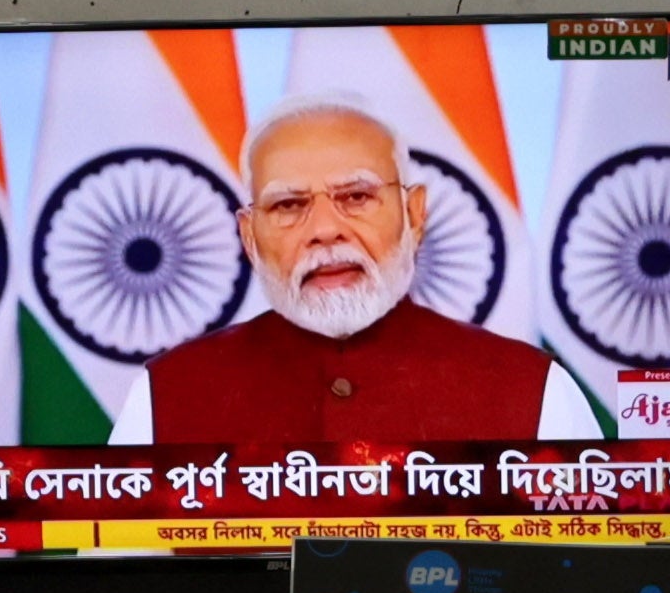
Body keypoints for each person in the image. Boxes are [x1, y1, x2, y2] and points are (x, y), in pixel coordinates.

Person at [119, 100, 577, 448]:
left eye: (356, 197)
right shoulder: (166, 395)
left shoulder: (532, 391)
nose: (324, 231)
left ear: (414, 215)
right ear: (249, 237)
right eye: (288, 205)